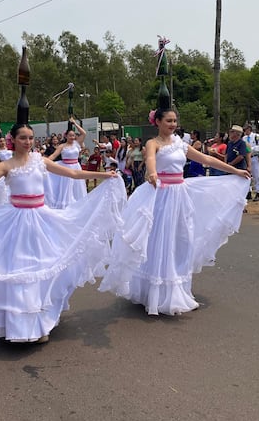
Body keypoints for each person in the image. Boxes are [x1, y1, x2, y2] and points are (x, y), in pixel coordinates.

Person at [0, 122, 126, 344]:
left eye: (30, 138)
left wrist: (104, 176)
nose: (28, 142)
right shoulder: (6, 165)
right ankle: (18, 325)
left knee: (43, 266)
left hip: (42, 219)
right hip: (16, 221)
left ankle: (40, 320)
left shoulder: (40, 161)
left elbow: (72, 173)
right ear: (13, 141)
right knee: (18, 269)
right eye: (23, 138)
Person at [99, 107, 251, 315]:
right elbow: (151, 160)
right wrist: (152, 173)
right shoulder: (153, 143)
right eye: (169, 120)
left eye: (174, 121)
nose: (172, 124)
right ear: (158, 122)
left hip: (180, 195)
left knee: (181, 240)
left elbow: (206, 160)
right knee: (159, 240)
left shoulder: (181, 144)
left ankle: (175, 290)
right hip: (161, 196)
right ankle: (153, 292)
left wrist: (235, 170)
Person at [44, 118, 88, 209]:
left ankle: (79, 204)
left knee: (77, 186)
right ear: (66, 136)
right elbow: (53, 156)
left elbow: (84, 133)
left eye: (73, 135)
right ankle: (67, 205)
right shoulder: (62, 146)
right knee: (66, 187)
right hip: (66, 167)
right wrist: (45, 163)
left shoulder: (77, 143)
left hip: (76, 166)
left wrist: (75, 124)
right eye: (70, 135)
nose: (72, 137)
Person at [243, 125, 259, 201]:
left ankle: (258, 192)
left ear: (249, 129)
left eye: (246, 129)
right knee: (248, 175)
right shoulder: (244, 138)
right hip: (246, 158)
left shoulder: (256, 136)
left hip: (254, 157)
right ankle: (248, 191)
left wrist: (250, 150)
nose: (245, 131)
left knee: (256, 175)